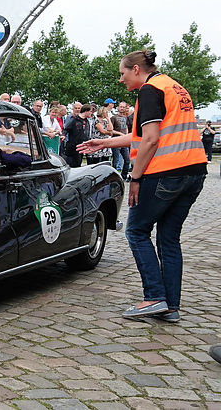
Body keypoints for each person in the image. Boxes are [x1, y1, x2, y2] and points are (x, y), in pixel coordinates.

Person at [77, 50, 207, 322]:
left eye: (123, 73)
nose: (121, 79)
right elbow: (141, 137)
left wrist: (135, 178)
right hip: (193, 171)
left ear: (136, 69)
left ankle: (154, 297)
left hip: (166, 173)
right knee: (169, 239)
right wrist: (104, 142)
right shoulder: (173, 86)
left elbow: (150, 141)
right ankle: (171, 306)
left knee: (136, 231)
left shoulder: (149, 91)